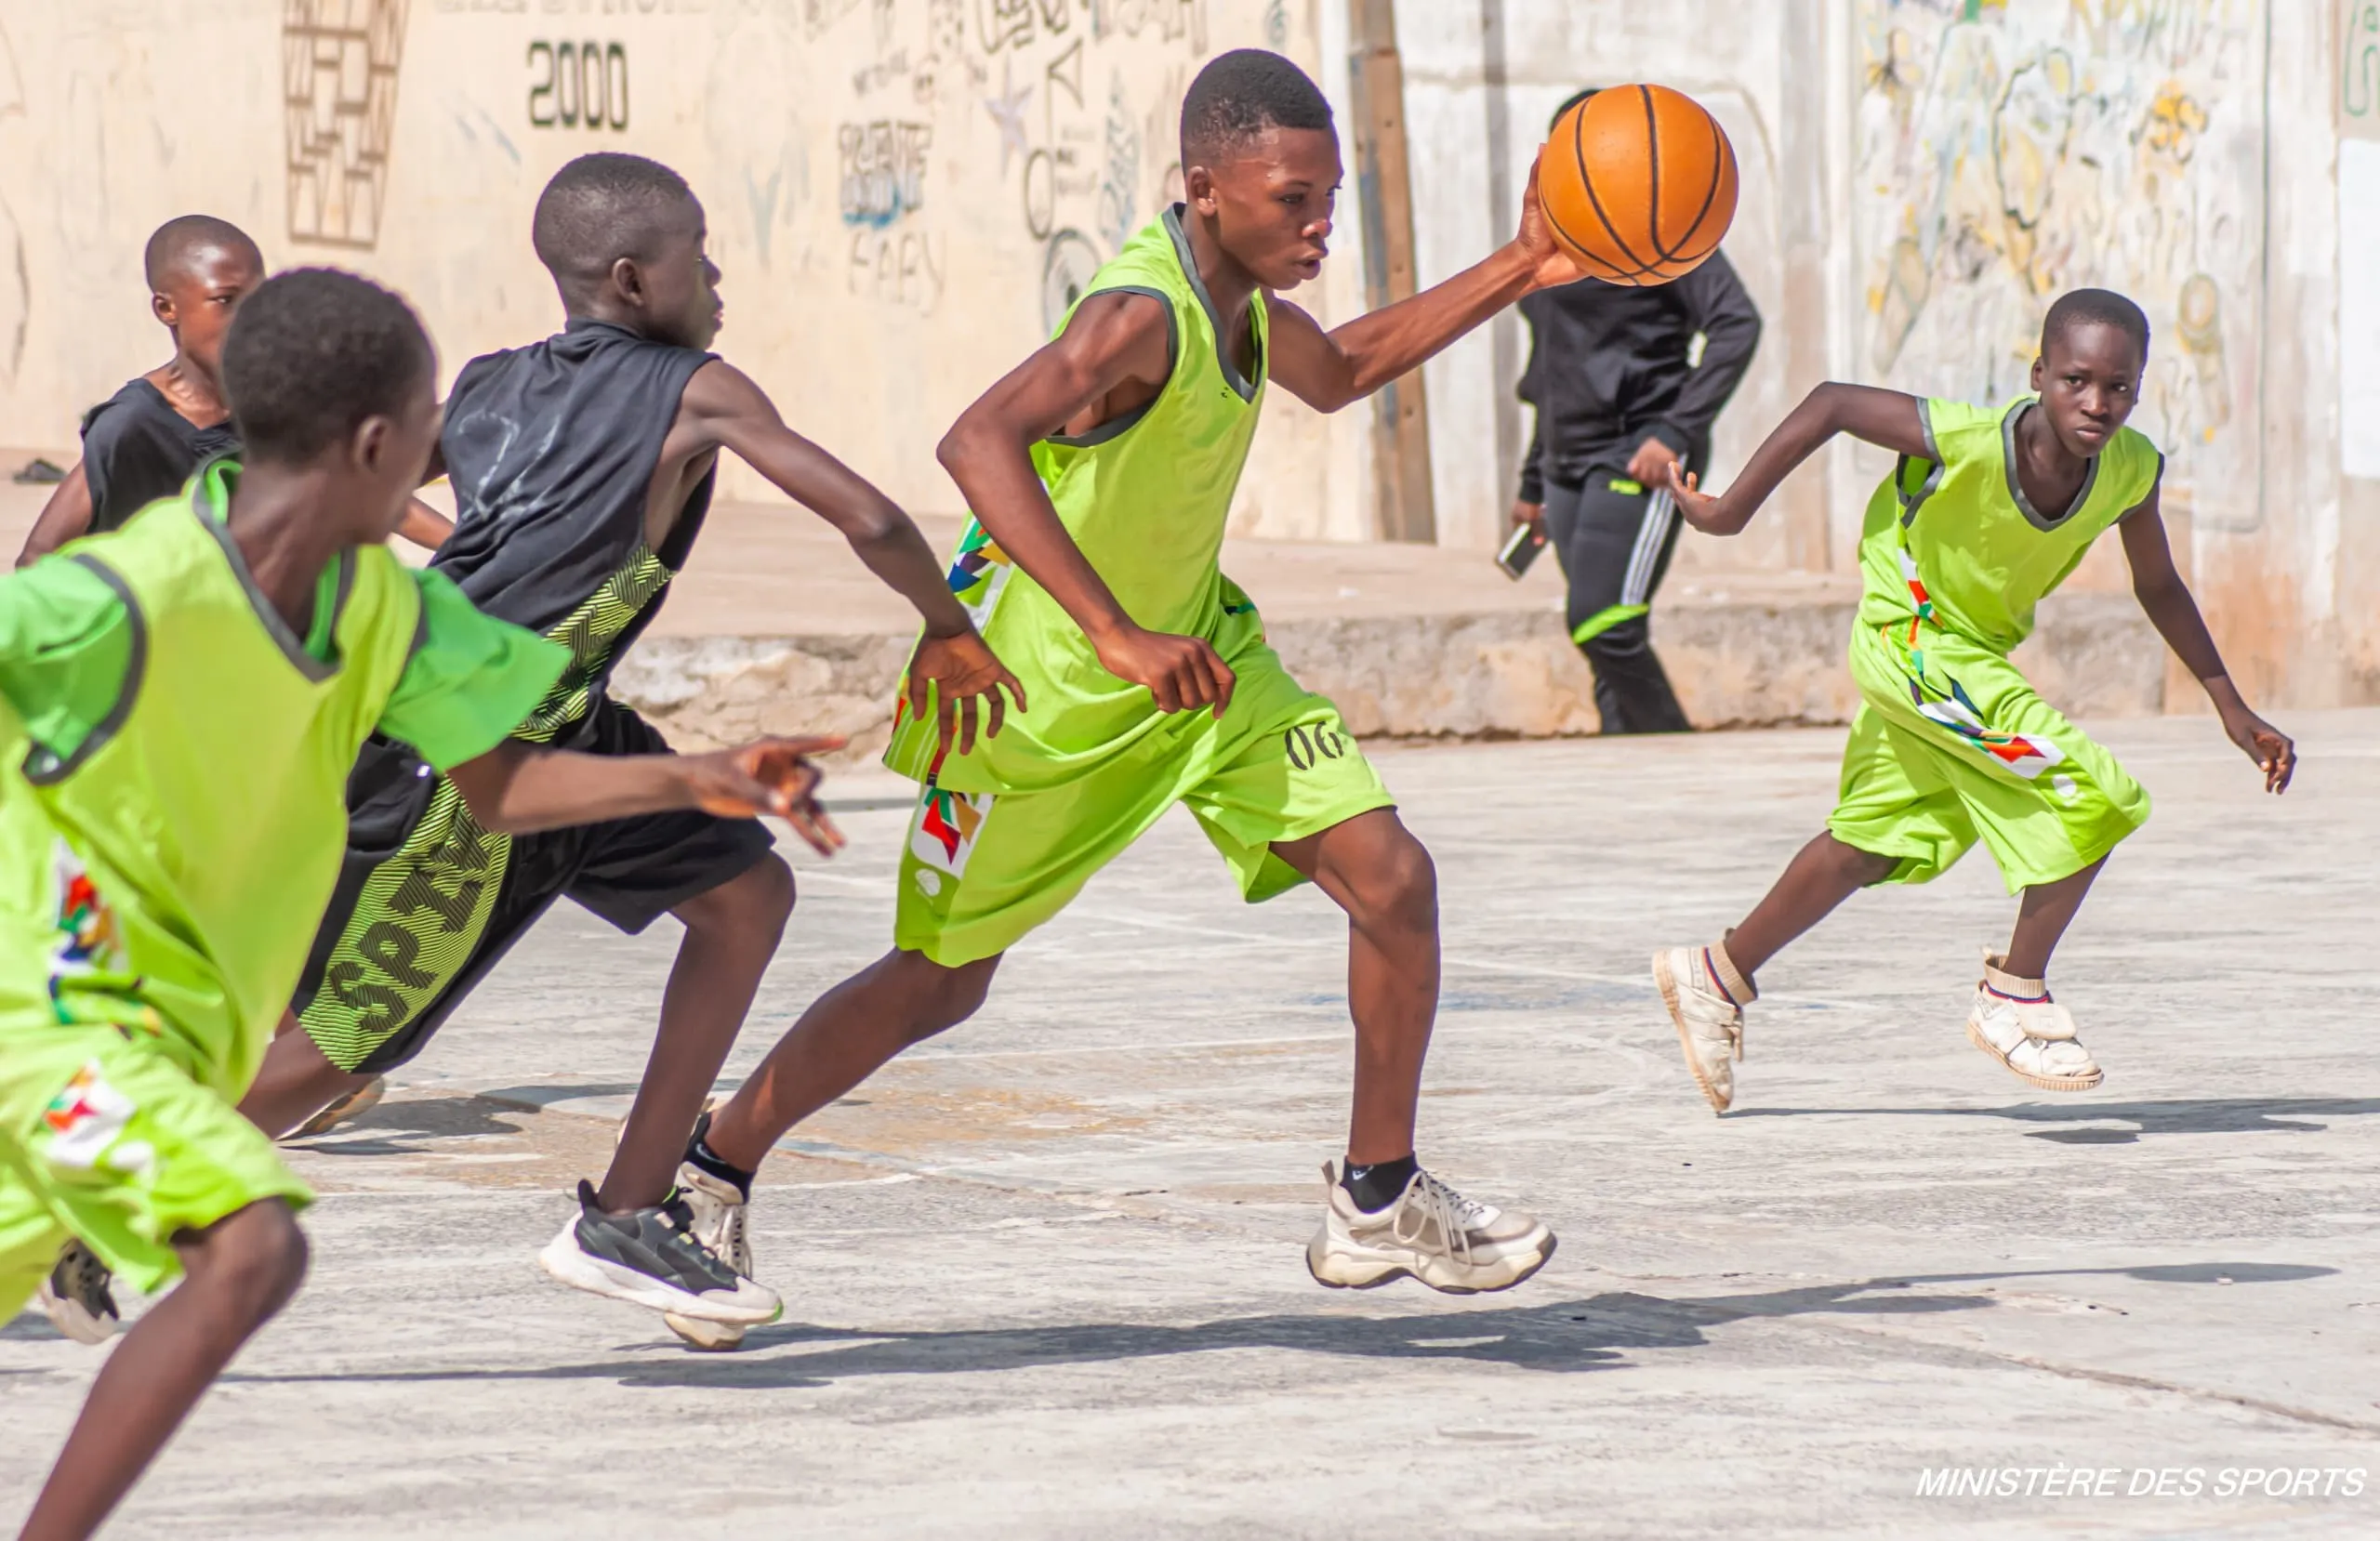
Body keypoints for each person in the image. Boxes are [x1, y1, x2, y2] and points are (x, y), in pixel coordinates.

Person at [651, 49, 1584, 1346]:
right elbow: (976, 439)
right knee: (939, 980)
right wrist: (1113, 629)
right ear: (1204, 188)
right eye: (1291, 201)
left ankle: (1377, 1191)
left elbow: (1345, 369)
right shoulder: (1141, 314)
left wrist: (1523, 265)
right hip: (1043, 701)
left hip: (1202, 670)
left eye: (1329, 200)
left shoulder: (1247, 297)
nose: (1318, 227)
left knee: (1394, 878)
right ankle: (711, 1173)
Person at [0, 267, 840, 1541]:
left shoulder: (380, 605)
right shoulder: (111, 604)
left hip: (164, 1049)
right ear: (386, 445)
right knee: (252, 1248)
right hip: (55, 1032)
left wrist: (702, 774)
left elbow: (503, 784)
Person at [218, 153, 1019, 1341]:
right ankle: (89, 1187)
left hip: (561, 725)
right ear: (639, 279)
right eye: (704, 252)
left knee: (746, 894)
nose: (722, 275)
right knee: (335, 1052)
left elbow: (348, 481)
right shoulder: (696, 388)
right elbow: (872, 515)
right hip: (468, 752)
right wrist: (949, 628)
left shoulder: (489, 385)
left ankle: (630, 1212)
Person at [1651, 289, 2294, 1114]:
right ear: (2038, 376)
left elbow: (2159, 584)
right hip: (1910, 637)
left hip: (1966, 658)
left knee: (1872, 841)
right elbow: (1834, 404)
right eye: (2076, 380)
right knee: (2090, 791)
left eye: (2119, 387)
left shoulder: (2132, 470)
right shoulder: (1966, 440)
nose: (2097, 403)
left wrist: (2229, 706)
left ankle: (1716, 975)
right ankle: (2013, 994)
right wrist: (1729, 513)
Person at [1509, 89, 1762, 735]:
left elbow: (1736, 323)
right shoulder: (1546, 248)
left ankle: (1676, 754)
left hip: (1637, 452)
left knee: (1602, 621)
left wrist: (1674, 430)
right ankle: (1638, 777)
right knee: (1602, 645)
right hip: (1565, 463)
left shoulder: (1657, 228)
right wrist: (1534, 481)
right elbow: (1551, 369)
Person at [14, 217, 451, 566]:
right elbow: (38, 556)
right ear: (167, 309)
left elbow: (365, 494)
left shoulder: (275, 400)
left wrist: (474, 551)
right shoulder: (134, 425)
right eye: (225, 300)